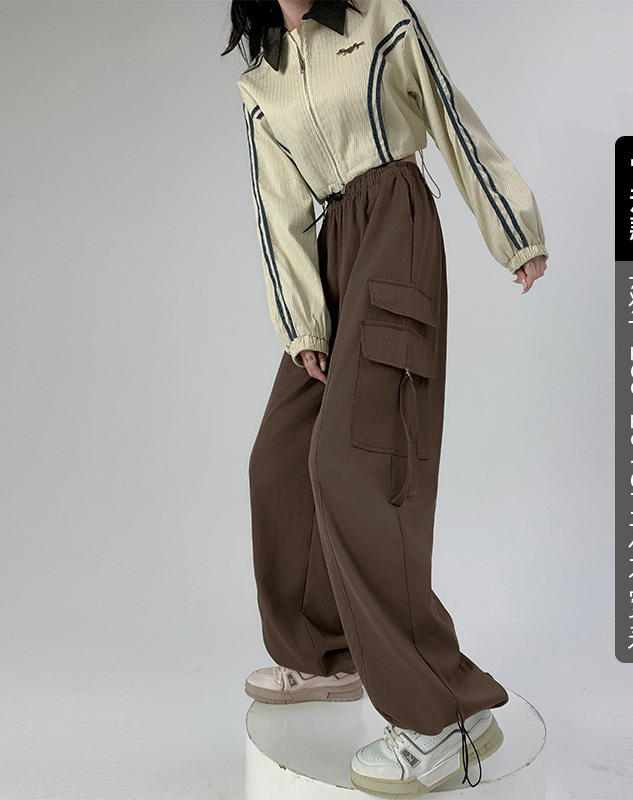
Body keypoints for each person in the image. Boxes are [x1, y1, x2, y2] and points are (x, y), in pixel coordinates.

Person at [222, 0, 549, 795]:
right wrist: (302, 323)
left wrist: (512, 227)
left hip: (396, 226)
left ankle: (443, 715)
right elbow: (278, 209)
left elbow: (449, 116)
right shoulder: (262, 80)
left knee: (356, 461)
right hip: (333, 253)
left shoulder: (378, 18)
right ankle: (324, 654)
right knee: (280, 460)